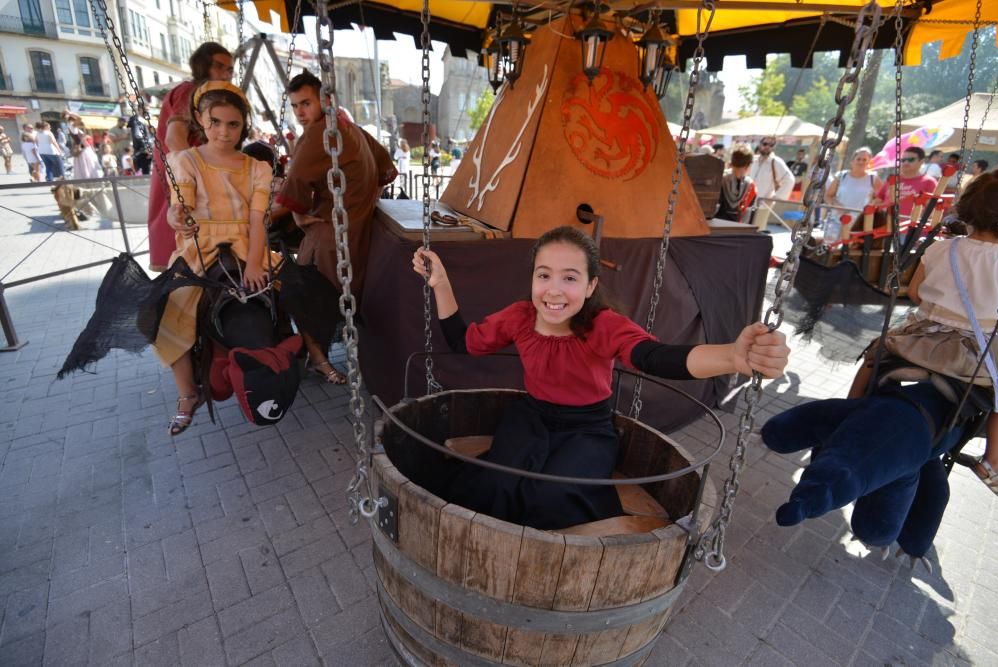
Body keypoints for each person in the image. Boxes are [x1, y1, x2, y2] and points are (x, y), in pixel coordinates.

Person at [412, 226, 790, 530]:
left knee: (555, 498)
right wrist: (441, 283)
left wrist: (731, 356)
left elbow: (656, 357)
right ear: (533, 279)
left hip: (587, 428)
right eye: (544, 275)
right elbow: (464, 342)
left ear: (591, 286)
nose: (555, 289)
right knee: (494, 484)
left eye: (570, 278)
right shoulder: (519, 317)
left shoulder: (604, 325)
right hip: (530, 416)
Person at [849, 171, 998, 495]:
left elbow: (916, 293)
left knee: (874, 357)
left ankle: (849, 409)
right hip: (976, 349)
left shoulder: (941, 248)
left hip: (921, 336)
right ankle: (992, 461)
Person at [156, 81, 271, 436]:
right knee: (168, 311)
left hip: (246, 243)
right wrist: (178, 217)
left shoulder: (257, 168)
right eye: (215, 122)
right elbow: (182, 207)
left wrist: (254, 262)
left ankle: (313, 356)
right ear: (200, 120)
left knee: (297, 290)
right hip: (199, 245)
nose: (224, 131)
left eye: (233, 124)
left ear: (243, 125)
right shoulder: (186, 160)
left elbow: (257, 219)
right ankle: (187, 393)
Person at [277, 70, 397, 384]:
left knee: (309, 300)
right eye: (295, 106)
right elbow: (387, 168)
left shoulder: (321, 133)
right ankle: (316, 355)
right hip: (356, 234)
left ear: (325, 100)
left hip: (329, 237)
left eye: (306, 103)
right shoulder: (351, 126)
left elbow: (294, 187)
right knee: (328, 302)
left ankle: (317, 359)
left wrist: (296, 215)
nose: (301, 112)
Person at [147, 41, 233, 272]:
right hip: (184, 180)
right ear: (203, 66)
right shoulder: (190, 91)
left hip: (188, 177)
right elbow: (174, 139)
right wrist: (203, 179)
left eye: (229, 69)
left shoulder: (208, 97)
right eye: (219, 67)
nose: (225, 74)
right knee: (186, 251)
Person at [873, 146, 938, 218]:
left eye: (911, 160)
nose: (906, 162)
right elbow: (877, 201)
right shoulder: (891, 179)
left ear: (921, 161)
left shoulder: (929, 182)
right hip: (885, 226)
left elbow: (932, 211)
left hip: (911, 227)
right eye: (903, 160)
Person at [749, 136, 794, 229]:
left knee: (757, 230)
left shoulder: (776, 161)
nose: (767, 147)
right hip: (748, 203)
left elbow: (790, 180)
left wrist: (775, 198)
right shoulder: (753, 160)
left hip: (762, 204)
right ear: (760, 145)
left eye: (771, 145)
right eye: (765, 144)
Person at [825, 146, 882, 214]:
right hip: (837, 220)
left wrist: (872, 204)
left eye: (864, 160)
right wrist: (837, 206)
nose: (861, 162)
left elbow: (881, 198)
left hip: (860, 222)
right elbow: (828, 196)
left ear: (868, 163)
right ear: (852, 161)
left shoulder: (873, 178)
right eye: (858, 159)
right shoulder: (841, 176)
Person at [715, 143, 757, 224]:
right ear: (747, 165)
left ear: (732, 162)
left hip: (716, 224)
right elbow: (747, 214)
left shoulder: (719, 179)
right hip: (736, 227)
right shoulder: (751, 186)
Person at [64, 113, 100, 179]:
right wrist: (69, 112)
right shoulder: (72, 126)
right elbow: (79, 118)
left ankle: (86, 177)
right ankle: (88, 177)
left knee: (84, 163)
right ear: (73, 120)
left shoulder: (71, 127)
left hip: (82, 147)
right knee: (87, 163)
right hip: (83, 148)